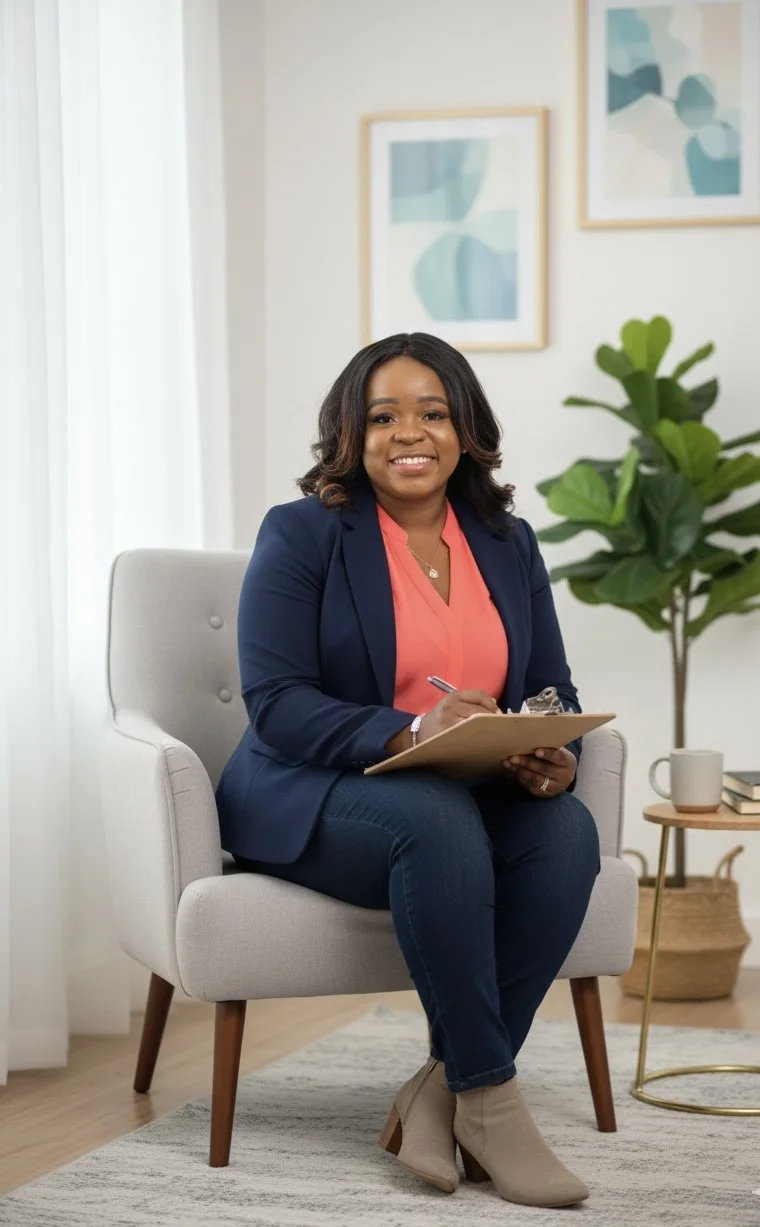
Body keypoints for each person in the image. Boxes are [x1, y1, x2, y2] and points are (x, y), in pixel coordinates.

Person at [215, 332, 601, 1209]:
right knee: (434, 817)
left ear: (466, 428)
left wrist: (552, 754)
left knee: (564, 831)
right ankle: (495, 1108)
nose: (409, 432)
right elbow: (275, 700)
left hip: (465, 789)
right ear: (351, 433)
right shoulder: (304, 531)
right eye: (383, 415)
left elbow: (551, 686)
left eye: (432, 411)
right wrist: (410, 730)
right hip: (313, 794)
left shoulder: (508, 540)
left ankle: (444, 1088)